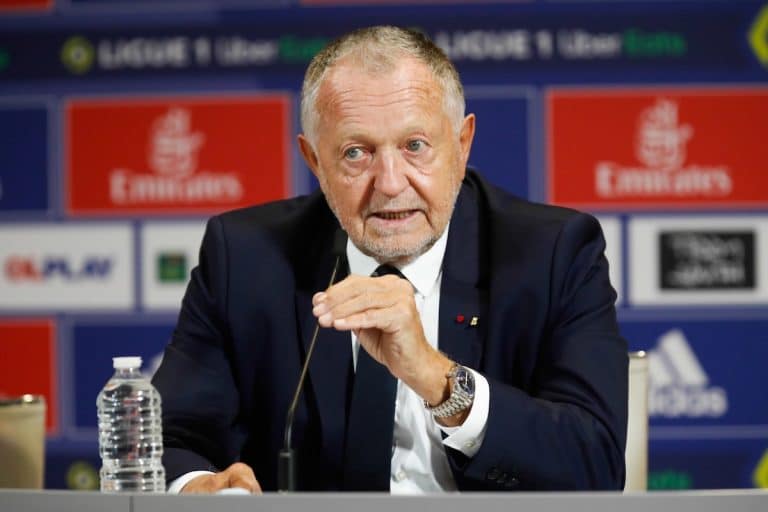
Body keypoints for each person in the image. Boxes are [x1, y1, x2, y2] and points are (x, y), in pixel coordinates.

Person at [152, 25, 628, 494]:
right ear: (315, 161)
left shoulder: (553, 254)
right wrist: (198, 488)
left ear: (462, 144)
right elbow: (168, 439)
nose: (391, 183)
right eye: (356, 153)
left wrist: (436, 378)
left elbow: (595, 463)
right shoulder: (245, 257)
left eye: (414, 146)